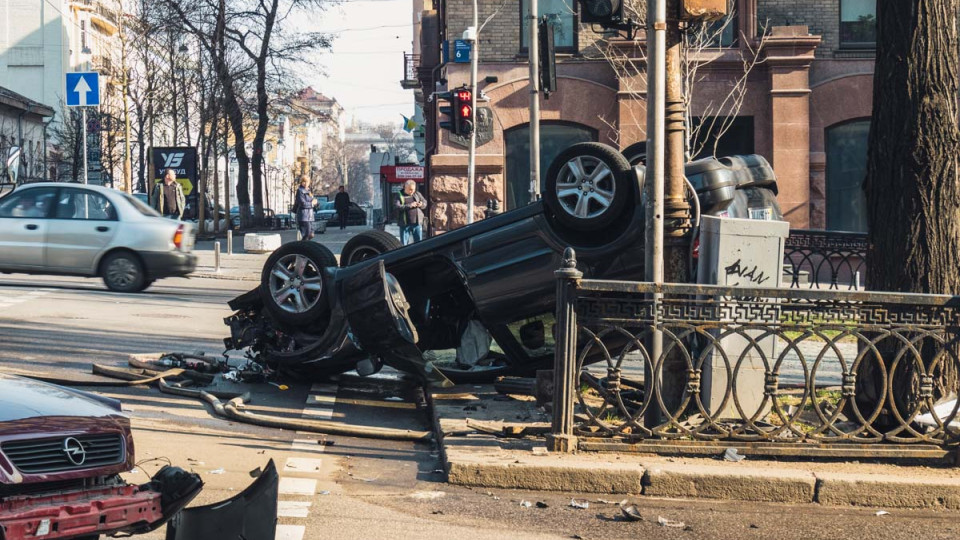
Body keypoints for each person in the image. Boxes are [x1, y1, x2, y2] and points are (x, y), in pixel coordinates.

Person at [395, 179, 426, 245]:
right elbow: (397, 207)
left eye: (413, 189)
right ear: (405, 187)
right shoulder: (399, 195)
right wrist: (410, 205)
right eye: (410, 189)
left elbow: (425, 202)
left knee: (419, 243)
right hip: (405, 224)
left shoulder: (417, 194)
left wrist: (421, 204)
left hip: (417, 223)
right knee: (404, 244)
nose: (412, 191)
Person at [294, 175, 318, 240]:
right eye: (303, 181)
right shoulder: (300, 191)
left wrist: (316, 203)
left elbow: (312, 201)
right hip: (303, 216)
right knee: (306, 234)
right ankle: (303, 246)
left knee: (311, 234)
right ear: (301, 182)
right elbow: (302, 203)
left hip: (310, 216)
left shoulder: (309, 191)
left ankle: (303, 244)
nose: (305, 183)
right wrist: (312, 204)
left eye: (307, 182)